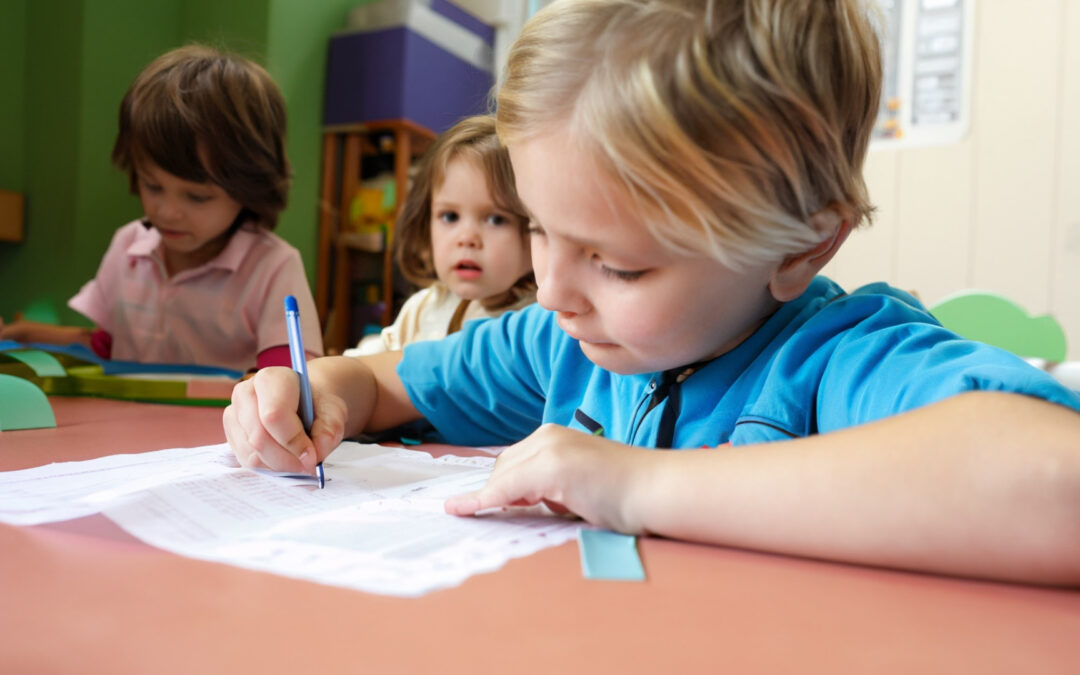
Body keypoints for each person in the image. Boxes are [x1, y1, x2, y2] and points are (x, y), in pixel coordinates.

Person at [223, 0, 1080, 585]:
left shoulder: (839, 357)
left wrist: (636, 484)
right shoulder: (558, 342)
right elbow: (378, 383)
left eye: (620, 265)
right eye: (542, 230)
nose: (552, 287)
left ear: (804, 244)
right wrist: (312, 388)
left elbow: (1057, 482)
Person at [0, 44, 322, 372]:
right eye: (152, 186)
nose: (166, 211)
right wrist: (26, 335)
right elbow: (111, 346)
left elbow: (290, 375)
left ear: (249, 187)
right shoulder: (127, 246)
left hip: (220, 424)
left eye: (197, 197)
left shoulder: (273, 267)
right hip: (125, 422)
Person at [344, 115, 534, 357]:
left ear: (537, 231)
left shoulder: (533, 329)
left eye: (496, 219)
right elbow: (371, 362)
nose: (466, 238)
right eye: (450, 217)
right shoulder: (424, 308)